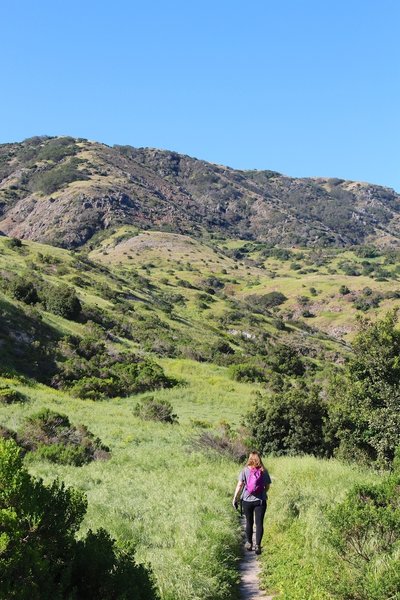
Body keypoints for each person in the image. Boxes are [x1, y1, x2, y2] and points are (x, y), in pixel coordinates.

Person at [232, 450, 271, 555]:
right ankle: (258, 545)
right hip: (260, 501)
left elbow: (240, 485)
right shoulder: (263, 470)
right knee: (259, 523)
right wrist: (262, 492)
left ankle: (249, 543)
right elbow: (267, 486)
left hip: (247, 500)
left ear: (249, 459)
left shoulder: (245, 470)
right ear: (259, 458)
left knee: (249, 522)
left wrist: (235, 498)